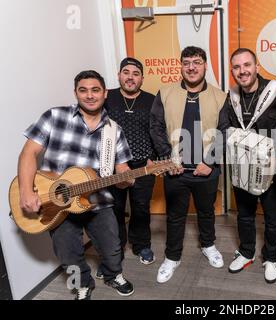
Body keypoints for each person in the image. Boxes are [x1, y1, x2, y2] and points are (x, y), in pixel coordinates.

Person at [17, 70, 135, 300]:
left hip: (98, 202)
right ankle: (81, 285)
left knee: (112, 247)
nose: (90, 95)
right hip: (57, 203)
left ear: (104, 93)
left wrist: (127, 178)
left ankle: (114, 275)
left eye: (95, 90)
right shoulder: (54, 117)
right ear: (76, 93)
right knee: (67, 253)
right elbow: (28, 153)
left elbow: (122, 170)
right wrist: (24, 191)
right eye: (83, 90)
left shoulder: (114, 130)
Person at [150, 46, 227, 283]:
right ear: (181, 66)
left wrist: (209, 162)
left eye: (196, 62)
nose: (191, 67)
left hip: (207, 170)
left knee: (206, 212)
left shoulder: (220, 96)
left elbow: (226, 131)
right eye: (186, 63)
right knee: (175, 216)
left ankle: (208, 245)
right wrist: (168, 157)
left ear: (205, 65)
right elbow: (156, 127)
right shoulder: (164, 93)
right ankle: (172, 257)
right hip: (176, 171)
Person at [218, 48, 276, 284]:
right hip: (242, 168)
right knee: (245, 215)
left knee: (273, 217)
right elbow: (222, 128)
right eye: (237, 67)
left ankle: (271, 257)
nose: (242, 71)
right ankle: (247, 252)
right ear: (232, 71)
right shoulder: (231, 97)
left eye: (247, 65)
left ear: (257, 67)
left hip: (271, 170)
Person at [105, 57, 156, 266]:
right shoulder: (107, 97)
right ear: (119, 75)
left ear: (142, 78)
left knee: (141, 207)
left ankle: (141, 244)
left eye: (135, 74)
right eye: (126, 72)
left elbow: (158, 130)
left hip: (143, 164)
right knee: (114, 207)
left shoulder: (152, 100)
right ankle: (117, 248)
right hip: (112, 164)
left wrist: (154, 158)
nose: (130, 77)